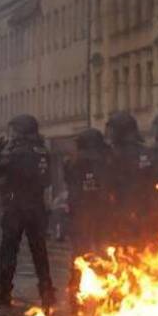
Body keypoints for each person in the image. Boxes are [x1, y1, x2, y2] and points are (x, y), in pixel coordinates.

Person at [0, 114, 56, 308]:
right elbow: (48, 180)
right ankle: (46, 291)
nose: (11, 134)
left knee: (9, 251)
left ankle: (4, 291)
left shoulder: (14, 152)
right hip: (36, 207)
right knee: (39, 252)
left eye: (13, 130)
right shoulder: (43, 150)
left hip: (16, 207)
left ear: (21, 130)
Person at [63, 128, 113, 305]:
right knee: (104, 252)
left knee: (79, 254)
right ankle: (108, 291)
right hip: (103, 214)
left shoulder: (73, 162)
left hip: (80, 214)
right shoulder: (107, 160)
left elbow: (68, 180)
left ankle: (74, 292)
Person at [105, 111, 156, 246]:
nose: (110, 134)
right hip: (144, 211)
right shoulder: (146, 152)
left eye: (112, 130)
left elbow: (107, 183)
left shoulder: (111, 155)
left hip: (121, 212)